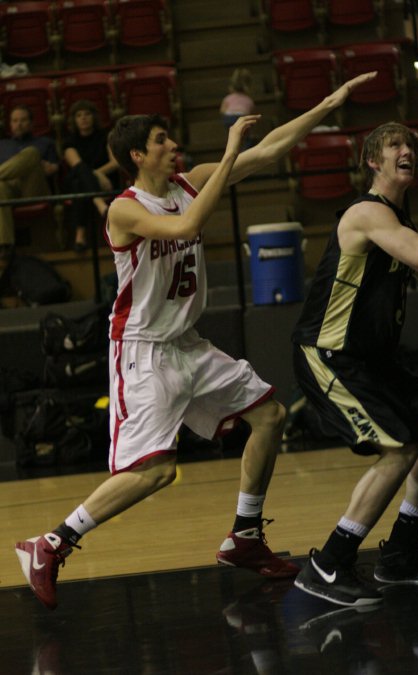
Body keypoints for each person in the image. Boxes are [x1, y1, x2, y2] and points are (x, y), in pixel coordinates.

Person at [15, 71, 376, 611]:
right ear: (138, 155)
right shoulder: (124, 208)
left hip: (187, 343)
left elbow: (270, 151)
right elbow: (185, 230)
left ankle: (245, 536)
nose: (175, 146)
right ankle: (50, 543)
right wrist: (229, 154)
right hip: (142, 352)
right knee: (157, 472)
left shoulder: (188, 184)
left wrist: (327, 102)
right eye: (162, 141)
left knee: (270, 415)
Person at [292, 121, 418, 607]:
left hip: (374, 360)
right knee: (400, 448)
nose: (407, 151)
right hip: (330, 354)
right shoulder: (366, 214)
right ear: (372, 162)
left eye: (412, 146)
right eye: (395, 146)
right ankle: (328, 563)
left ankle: (401, 553)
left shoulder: (400, 228)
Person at [0, 104, 59, 257]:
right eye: (14, 121)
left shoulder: (44, 142)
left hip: (34, 188)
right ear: (10, 124)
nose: (18, 124)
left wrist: (37, 164)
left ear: (31, 123)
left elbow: (53, 169)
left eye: (23, 120)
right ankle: (5, 246)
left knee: (31, 153)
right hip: (9, 190)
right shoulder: (2, 145)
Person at [62, 99, 119, 252]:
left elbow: (115, 163)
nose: (83, 118)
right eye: (79, 115)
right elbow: (77, 166)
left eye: (87, 114)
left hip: (104, 180)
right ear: (74, 120)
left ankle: (80, 236)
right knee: (79, 180)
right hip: (85, 180)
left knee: (80, 185)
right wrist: (97, 177)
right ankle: (100, 205)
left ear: (94, 117)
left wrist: (97, 174)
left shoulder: (106, 136)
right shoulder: (69, 142)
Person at [220, 67, 255, 150]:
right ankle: (244, 151)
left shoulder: (228, 98)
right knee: (246, 138)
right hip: (242, 117)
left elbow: (222, 110)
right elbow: (251, 113)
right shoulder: (248, 100)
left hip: (228, 118)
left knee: (233, 136)